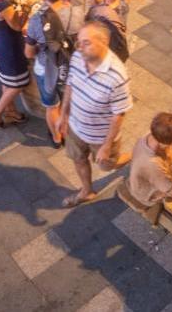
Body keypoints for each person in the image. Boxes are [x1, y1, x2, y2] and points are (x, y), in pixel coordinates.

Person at [60, 22, 132, 208]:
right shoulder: (77, 56)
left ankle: (133, 155)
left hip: (101, 137)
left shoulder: (117, 76)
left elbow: (118, 114)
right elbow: (70, 83)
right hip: (76, 127)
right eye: (78, 43)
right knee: (78, 158)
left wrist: (107, 146)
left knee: (106, 165)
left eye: (86, 43)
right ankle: (86, 191)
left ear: (104, 42)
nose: (80, 48)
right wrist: (64, 113)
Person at [25, 0, 84, 146]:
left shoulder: (37, 19)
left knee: (52, 107)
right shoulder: (77, 13)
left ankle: (57, 138)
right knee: (69, 102)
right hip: (71, 68)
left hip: (46, 69)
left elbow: (28, 53)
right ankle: (71, 130)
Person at [122, 112, 172, 215]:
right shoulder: (153, 164)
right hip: (147, 195)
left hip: (152, 176)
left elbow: (171, 153)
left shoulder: (154, 135)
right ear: (169, 141)